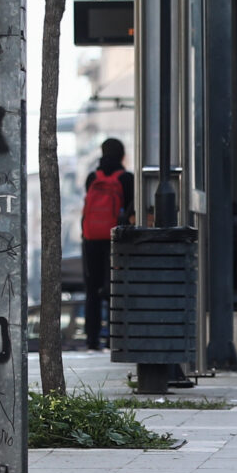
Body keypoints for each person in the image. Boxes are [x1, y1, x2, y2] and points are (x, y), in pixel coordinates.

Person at [80, 139, 135, 351]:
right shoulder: (127, 179)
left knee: (91, 290)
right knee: (116, 288)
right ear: (122, 155)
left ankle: (91, 340)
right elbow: (131, 211)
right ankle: (114, 339)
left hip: (91, 239)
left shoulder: (92, 178)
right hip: (115, 240)